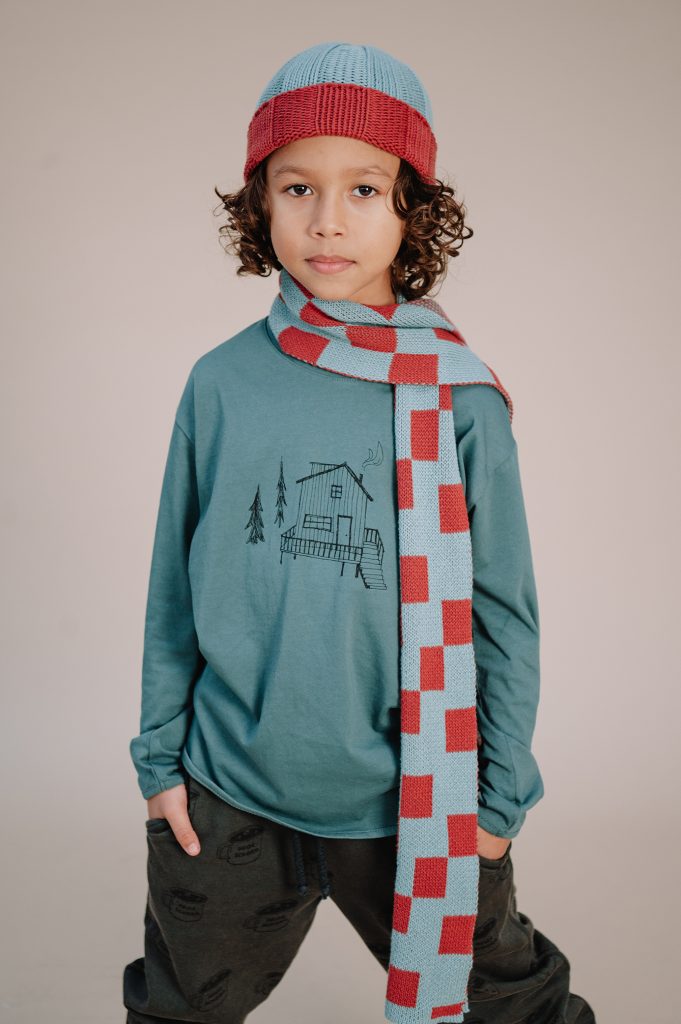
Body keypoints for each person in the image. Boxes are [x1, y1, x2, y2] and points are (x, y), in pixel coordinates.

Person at [122, 41, 596, 1024]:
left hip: (415, 803)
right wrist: (160, 765)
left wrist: (496, 804)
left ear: (411, 207)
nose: (327, 219)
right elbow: (174, 586)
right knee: (178, 1009)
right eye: (297, 186)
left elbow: (503, 615)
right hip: (229, 795)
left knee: (516, 1009)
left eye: (365, 189)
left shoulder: (461, 401)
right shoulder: (220, 383)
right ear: (260, 203)